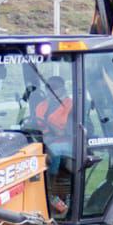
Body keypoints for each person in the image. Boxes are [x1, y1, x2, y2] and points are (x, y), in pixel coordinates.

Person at [27, 74, 75, 216]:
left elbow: (69, 128)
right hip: (44, 140)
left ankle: (50, 190)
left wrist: (53, 129)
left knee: (52, 154)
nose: (52, 91)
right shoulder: (41, 106)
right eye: (49, 88)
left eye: (56, 88)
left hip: (65, 142)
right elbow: (35, 123)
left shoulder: (70, 105)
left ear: (62, 88)